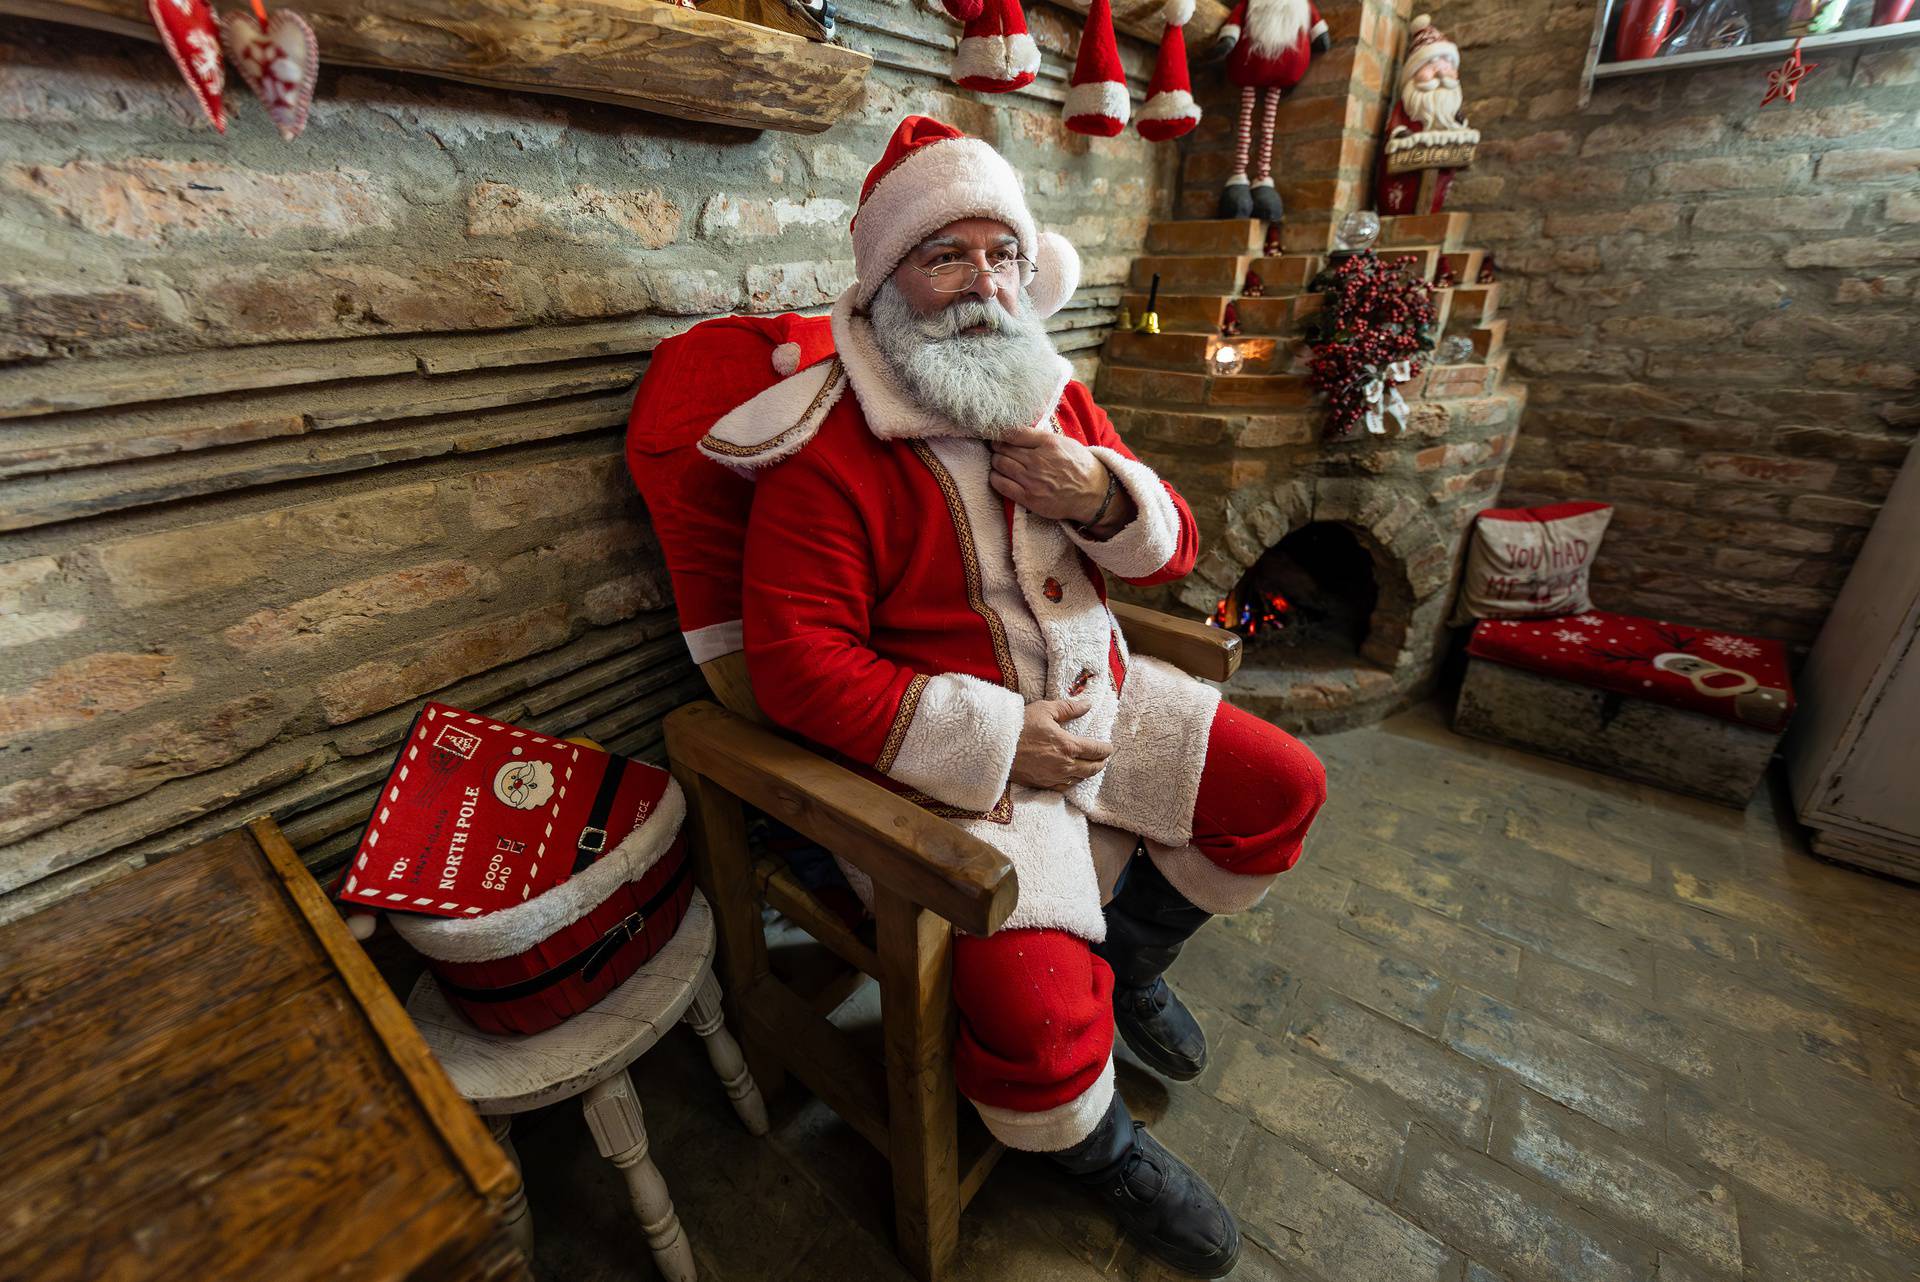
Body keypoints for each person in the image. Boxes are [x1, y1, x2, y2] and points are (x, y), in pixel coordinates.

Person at [701, 115, 1327, 1279]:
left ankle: (1127, 963)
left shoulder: (1054, 389)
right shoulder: (829, 448)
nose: (983, 283)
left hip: (1103, 697)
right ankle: (1093, 1149)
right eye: (947, 256)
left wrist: (1102, 498)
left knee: (1285, 788)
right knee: (1039, 1026)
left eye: (1002, 253)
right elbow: (794, 663)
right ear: (889, 279)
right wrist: (991, 740)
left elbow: (1176, 549)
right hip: (962, 769)